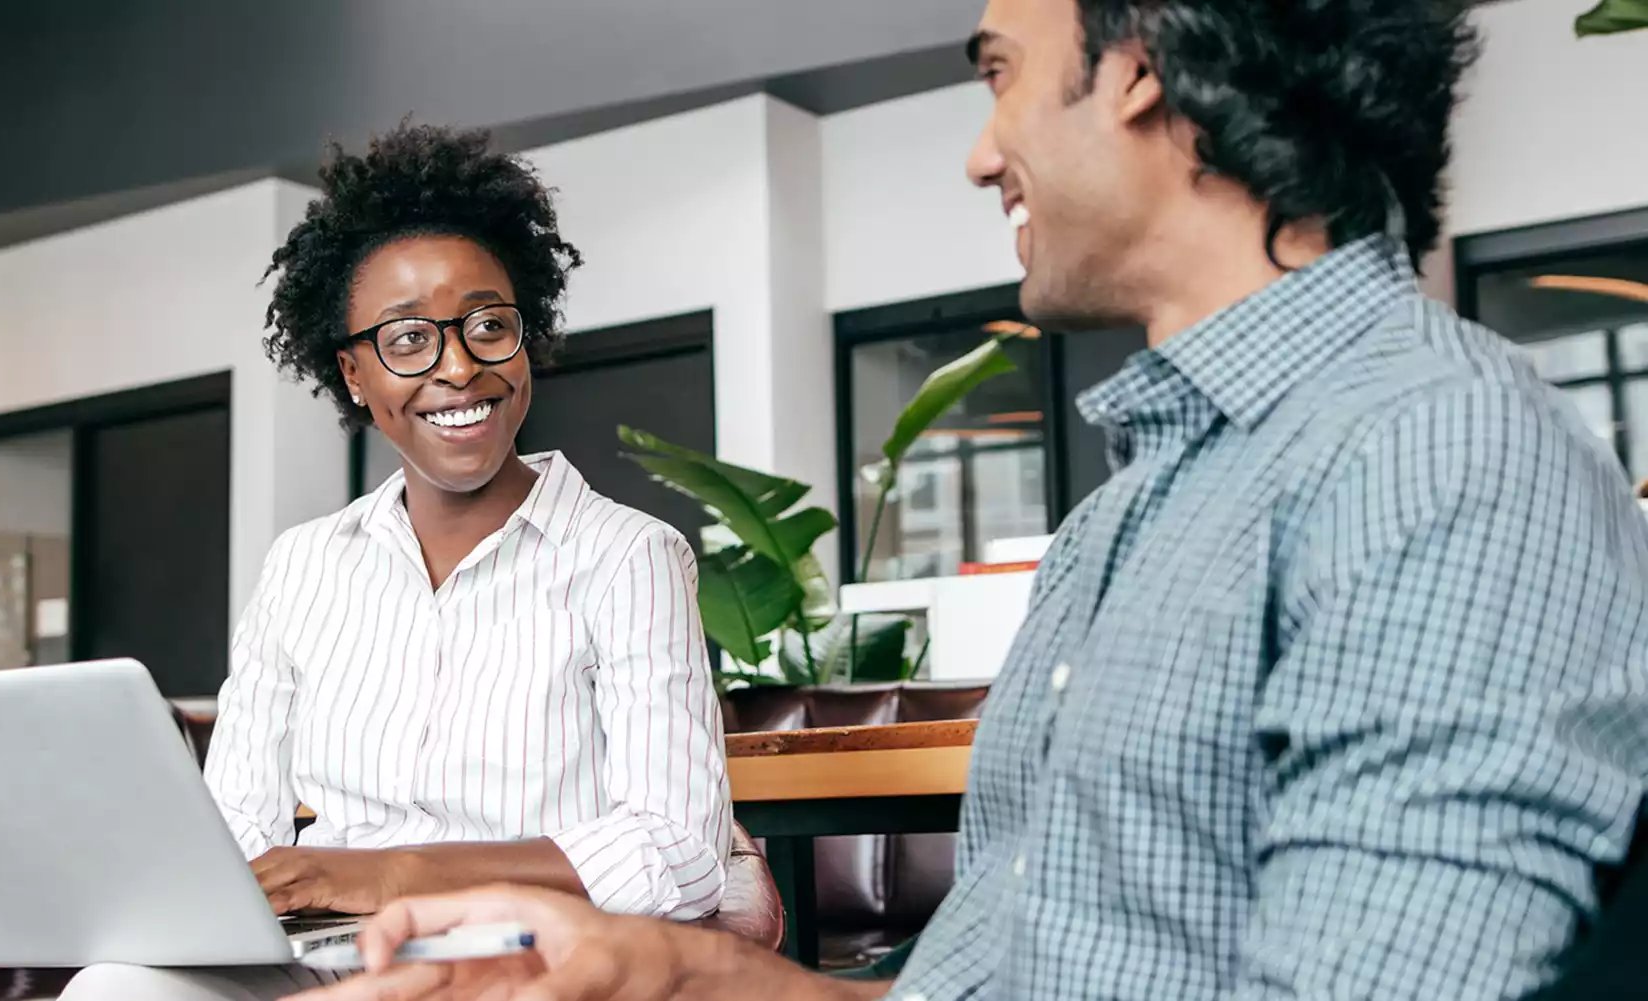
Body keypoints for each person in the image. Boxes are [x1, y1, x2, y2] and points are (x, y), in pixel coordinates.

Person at [299, 1, 1648, 999]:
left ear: (1145, 68)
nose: (981, 152)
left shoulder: (1436, 456)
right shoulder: (1123, 522)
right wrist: (653, 970)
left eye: (1001, 73)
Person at [61, 124, 732, 999]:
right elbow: (234, 825)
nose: (459, 367)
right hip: (319, 955)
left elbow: (677, 849)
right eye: (409, 340)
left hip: (523, 955)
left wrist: (392, 873)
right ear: (352, 373)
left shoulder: (629, 556)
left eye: (489, 325)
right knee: (115, 988)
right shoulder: (303, 565)